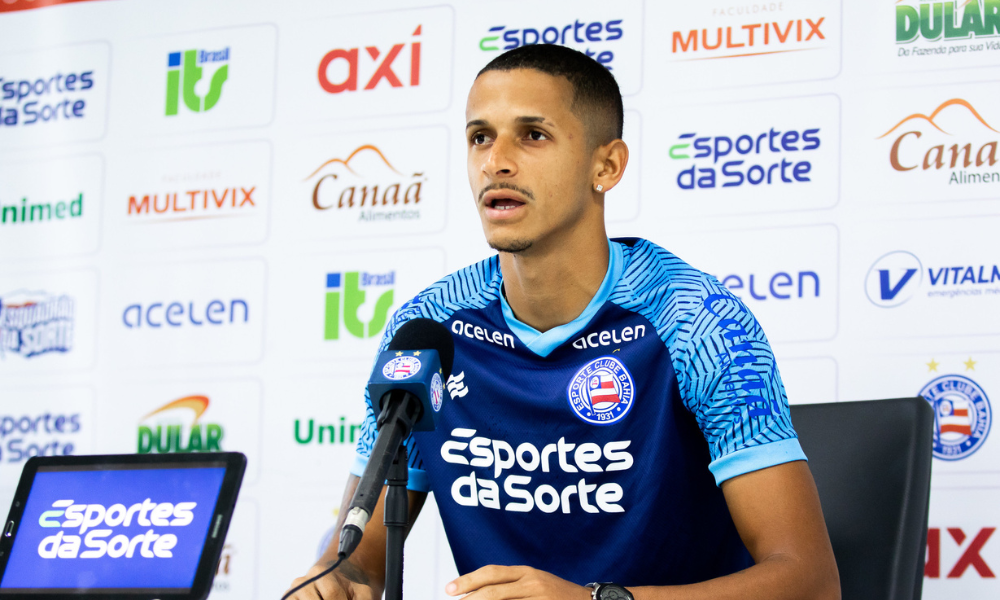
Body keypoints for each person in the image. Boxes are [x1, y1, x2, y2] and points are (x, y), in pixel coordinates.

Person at [285, 44, 840, 600]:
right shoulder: (426, 328)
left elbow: (810, 583)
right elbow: (362, 562)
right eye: (480, 136)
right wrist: (335, 582)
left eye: (532, 135)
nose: (494, 162)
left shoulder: (697, 321)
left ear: (607, 165)